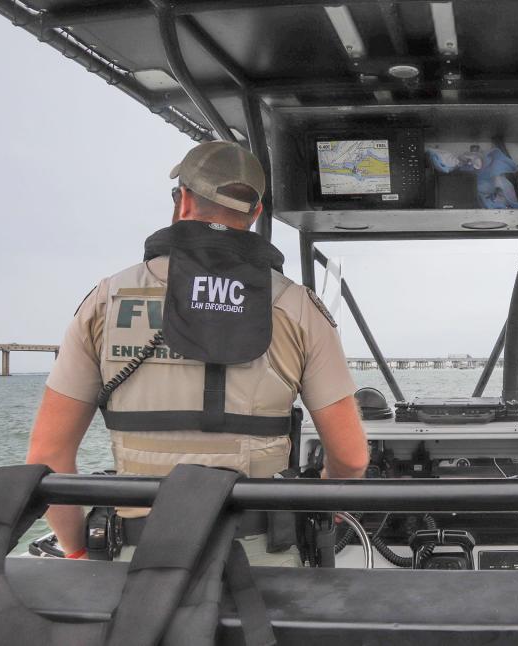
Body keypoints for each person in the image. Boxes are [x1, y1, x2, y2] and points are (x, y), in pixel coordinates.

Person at [26, 141, 369, 565]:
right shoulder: (299, 308)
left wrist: (78, 547)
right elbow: (351, 458)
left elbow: (47, 456)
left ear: (183, 201)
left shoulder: (106, 299)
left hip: (135, 562)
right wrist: (328, 505)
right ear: (254, 213)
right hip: (263, 559)